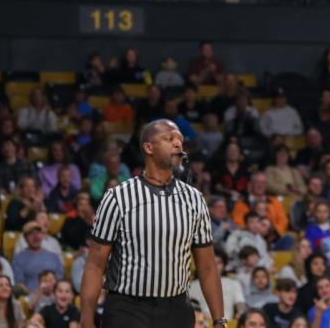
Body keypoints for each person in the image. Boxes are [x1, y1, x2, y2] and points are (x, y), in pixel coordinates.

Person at [81, 120, 225, 328]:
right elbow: (95, 264)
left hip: (176, 309)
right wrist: (86, 320)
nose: (178, 144)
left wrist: (220, 320)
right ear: (148, 148)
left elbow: (208, 267)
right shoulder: (118, 197)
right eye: (169, 139)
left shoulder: (194, 199)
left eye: (180, 140)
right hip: (127, 308)